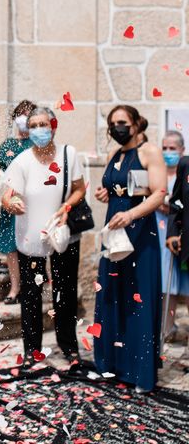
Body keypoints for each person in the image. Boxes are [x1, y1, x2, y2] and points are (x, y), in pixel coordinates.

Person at [1, 106, 86, 368]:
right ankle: (31, 350)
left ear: (53, 125)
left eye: (43, 124)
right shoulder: (22, 160)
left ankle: (69, 347)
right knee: (31, 295)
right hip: (30, 237)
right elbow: (8, 194)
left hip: (62, 237)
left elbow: (79, 189)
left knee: (65, 292)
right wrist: (11, 203)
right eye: (33, 125)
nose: (38, 129)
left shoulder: (68, 155)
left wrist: (65, 208)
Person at [93, 105, 165, 393]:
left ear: (135, 124)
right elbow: (115, 190)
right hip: (114, 235)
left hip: (139, 234)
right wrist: (104, 193)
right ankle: (112, 364)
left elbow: (159, 193)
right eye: (112, 123)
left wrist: (133, 215)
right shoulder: (114, 155)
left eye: (122, 122)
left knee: (139, 299)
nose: (117, 127)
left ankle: (140, 371)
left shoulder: (150, 152)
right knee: (112, 296)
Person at [0, 100, 36, 304]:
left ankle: (33, 285)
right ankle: (15, 289)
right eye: (20, 114)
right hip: (10, 202)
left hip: (32, 204)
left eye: (28, 114)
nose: (23, 118)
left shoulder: (38, 144)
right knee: (12, 248)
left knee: (31, 246)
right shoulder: (8, 144)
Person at [155, 131, 189, 340]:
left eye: (172, 148)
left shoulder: (184, 169)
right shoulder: (158, 173)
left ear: (181, 149)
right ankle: (166, 328)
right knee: (166, 282)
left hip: (182, 232)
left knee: (182, 281)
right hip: (162, 231)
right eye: (164, 148)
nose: (168, 152)